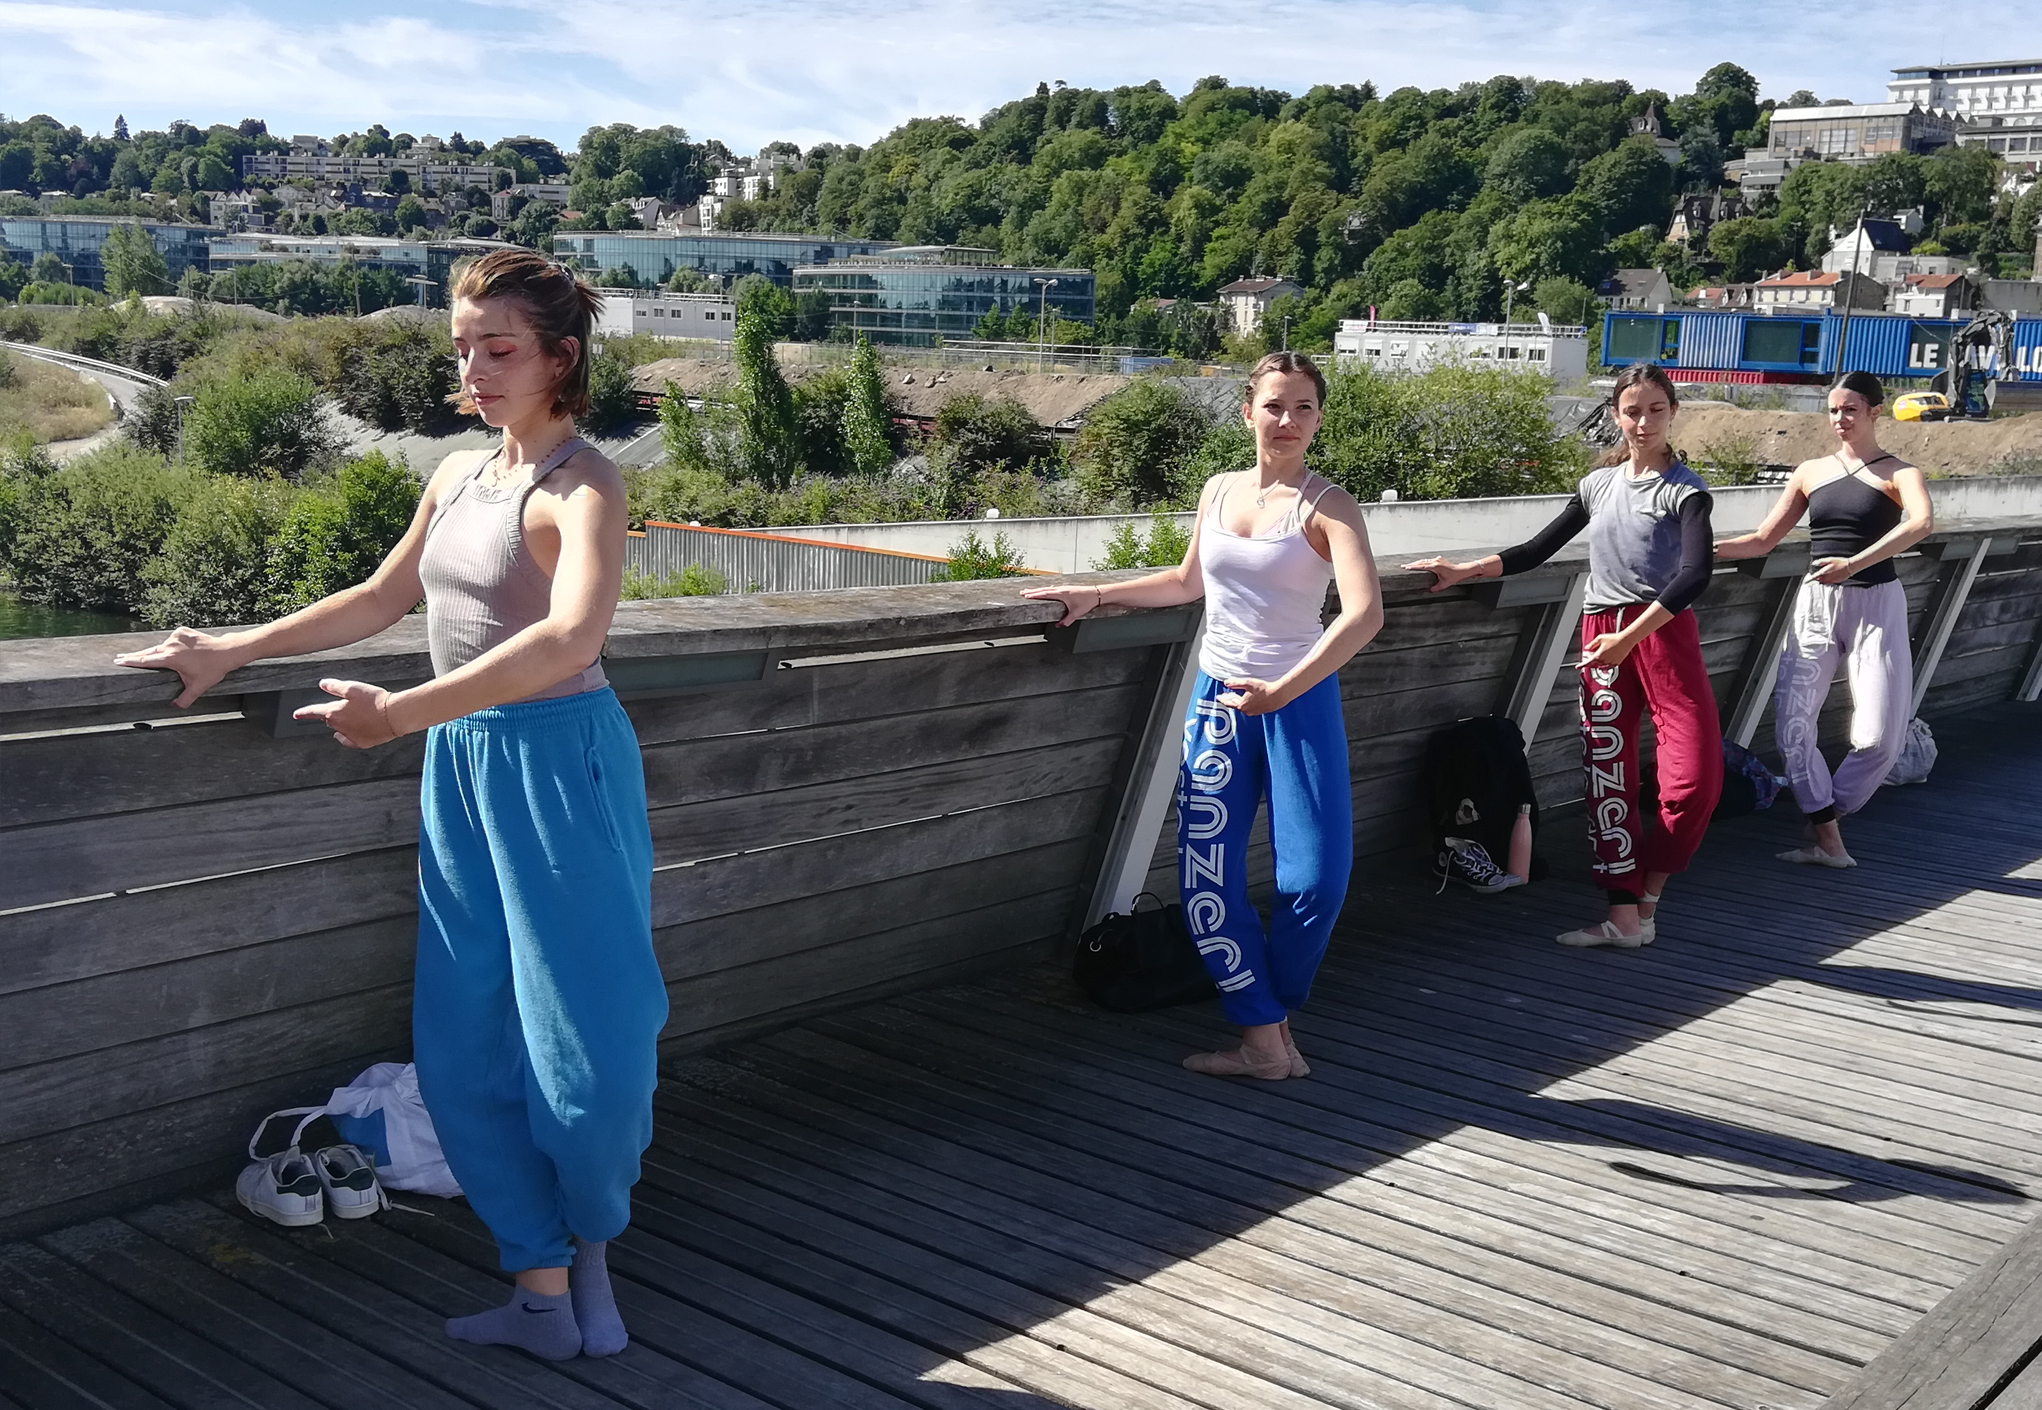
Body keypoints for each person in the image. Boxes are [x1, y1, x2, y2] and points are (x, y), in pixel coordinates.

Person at [113, 249, 663, 1362]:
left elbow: (570, 638)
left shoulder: (583, 483)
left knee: (593, 1045)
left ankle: (592, 1242)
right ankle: (541, 1288)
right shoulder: (459, 475)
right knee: (463, 1039)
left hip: (559, 765)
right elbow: (379, 595)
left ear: (560, 359)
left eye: (497, 349)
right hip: (461, 765)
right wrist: (233, 647)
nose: (473, 369)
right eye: (462, 349)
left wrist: (403, 712)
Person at [1025, 351, 1383, 1080]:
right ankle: (1262, 1037)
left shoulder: (1328, 506)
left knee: (1316, 880)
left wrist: (1283, 689)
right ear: (1247, 409)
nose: (1288, 421)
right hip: (1218, 704)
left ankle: (1271, 1014)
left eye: (1304, 407)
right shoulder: (1218, 491)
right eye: (1275, 405)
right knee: (1207, 881)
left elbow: (1364, 614)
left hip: (1299, 700)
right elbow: (1187, 583)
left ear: (1318, 417)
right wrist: (1095, 596)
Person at [1404, 362, 1721, 948]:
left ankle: (1649, 891)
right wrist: (1464, 570)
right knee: (1609, 775)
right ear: (1616, 415)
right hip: (1600, 628)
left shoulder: (1686, 490)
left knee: (1695, 781)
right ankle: (1622, 916)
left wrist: (1632, 636)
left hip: (1661, 631)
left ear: (1673, 412)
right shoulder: (1597, 486)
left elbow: (1695, 573)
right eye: (1632, 411)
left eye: (1656, 409)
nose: (1643, 422)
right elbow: (1535, 550)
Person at [1716, 370, 1933, 868]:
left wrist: (1853, 565)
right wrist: (1698, 550)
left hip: (1875, 603)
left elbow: (1921, 523)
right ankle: (1827, 838)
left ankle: (1824, 814)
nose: (1840, 418)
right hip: (1815, 605)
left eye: (1850, 409)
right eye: (1833, 409)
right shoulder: (1811, 471)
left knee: (1880, 736)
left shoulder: (1899, 472)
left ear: (1875, 412)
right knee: (1794, 728)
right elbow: (1762, 541)